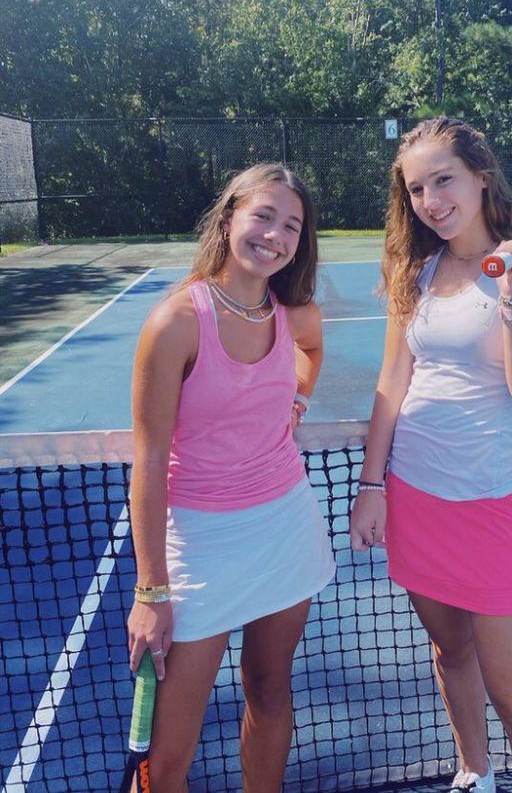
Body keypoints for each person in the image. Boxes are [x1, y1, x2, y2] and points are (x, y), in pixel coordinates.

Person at [350, 118, 512, 793]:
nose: (430, 199)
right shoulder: (414, 271)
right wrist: (372, 483)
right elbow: (393, 381)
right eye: (416, 188)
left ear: (480, 176)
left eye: (443, 179)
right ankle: (473, 772)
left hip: (491, 508)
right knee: (450, 651)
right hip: (415, 498)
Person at [126, 163, 335, 793]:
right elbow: (149, 461)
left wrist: (296, 399)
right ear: (229, 218)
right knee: (166, 761)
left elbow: (312, 349)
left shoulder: (292, 314)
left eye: (291, 226)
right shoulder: (176, 323)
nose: (275, 235)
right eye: (263, 216)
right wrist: (151, 591)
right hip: (200, 546)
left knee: (271, 691)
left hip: (285, 530)